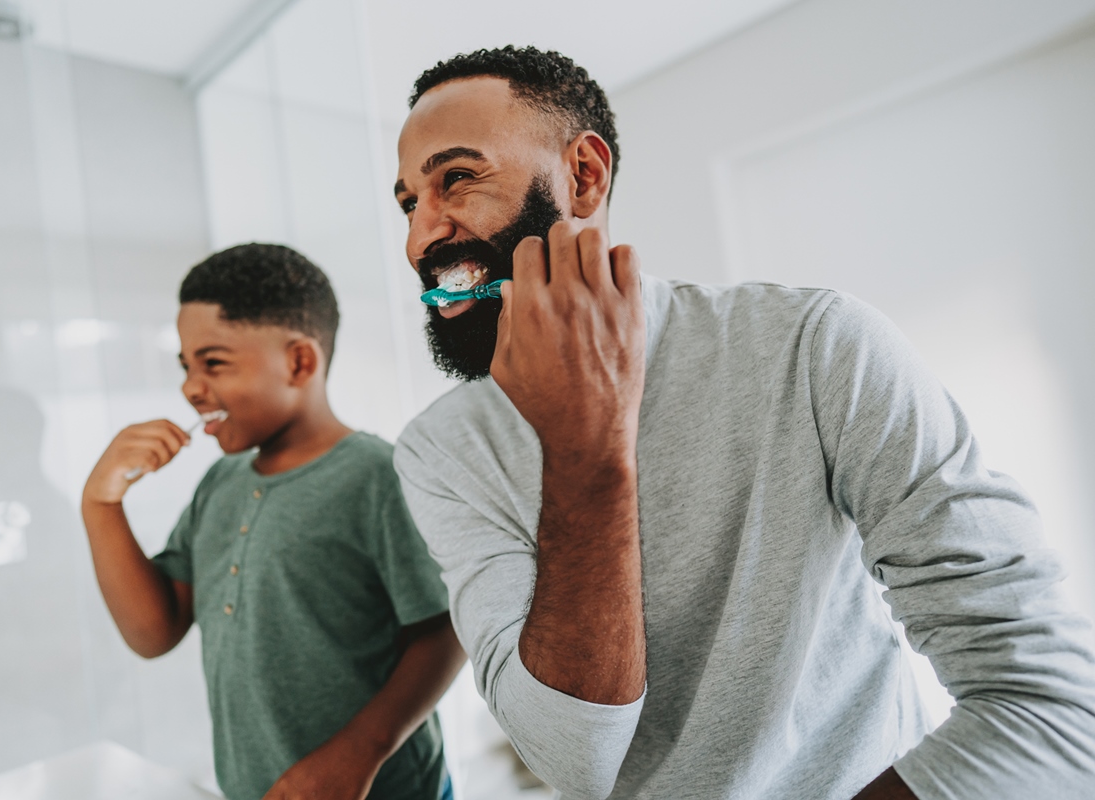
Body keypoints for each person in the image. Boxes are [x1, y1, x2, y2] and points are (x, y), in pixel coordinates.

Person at [390, 46, 1095, 800]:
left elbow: (1051, 713)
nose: (419, 239)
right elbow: (574, 762)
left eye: (456, 179)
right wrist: (586, 454)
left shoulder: (817, 347)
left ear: (584, 177)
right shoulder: (440, 451)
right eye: (407, 203)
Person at [81, 244, 465, 800]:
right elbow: (152, 632)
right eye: (185, 366)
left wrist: (358, 751)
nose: (191, 386)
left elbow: (444, 629)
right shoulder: (221, 481)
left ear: (299, 363)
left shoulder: (377, 476)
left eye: (212, 362)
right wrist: (101, 503)